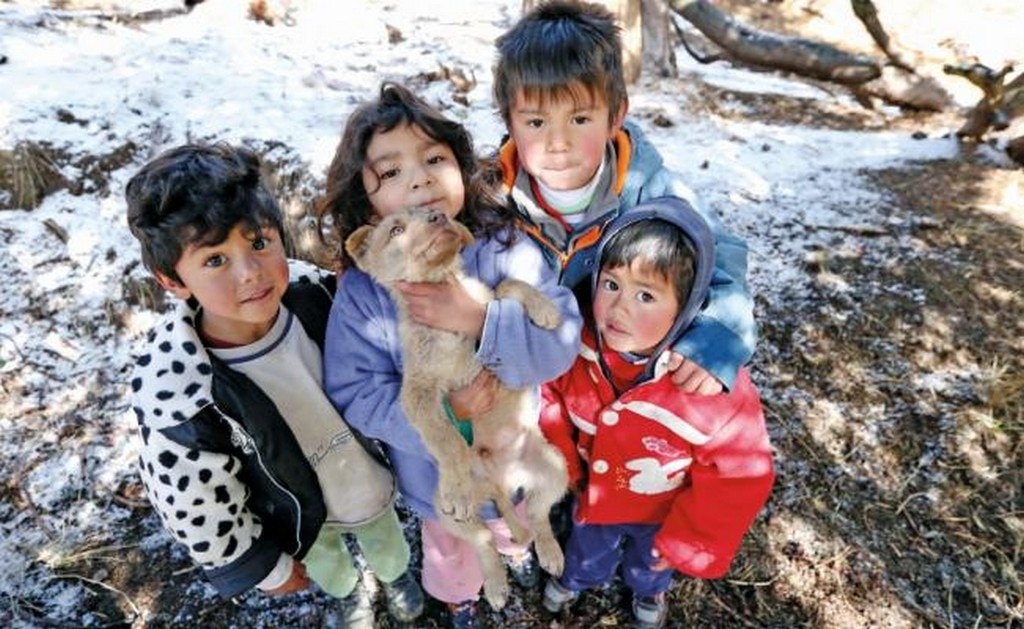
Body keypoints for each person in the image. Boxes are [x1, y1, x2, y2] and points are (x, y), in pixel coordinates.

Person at [124, 143, 423, 628]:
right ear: (172, 280)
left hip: (366, 478)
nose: (250, 273)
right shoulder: (182, 394)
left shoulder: (322, 298)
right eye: (216, 261)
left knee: (386, 538)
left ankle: (396, 576)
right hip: (296, 516)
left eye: (260, 242)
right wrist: (263, 566)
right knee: (329, 564)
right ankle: (348, 594)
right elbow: (193, 499)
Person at [317, 82, 583, 628]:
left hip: (514, 451)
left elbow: (561, 339)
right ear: (366, 206)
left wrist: (478, 317)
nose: (418, 178)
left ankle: (519, 555)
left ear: (463, 169)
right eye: (390, 173)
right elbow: (354, 391)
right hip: (437, 475)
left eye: (434, 159)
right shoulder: (364, 292)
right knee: (452, 545)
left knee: (520, 519)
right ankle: (460, 596)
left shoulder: (508, 248)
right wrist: (448, 414)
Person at [493, 0, 756, 396]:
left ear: (615, 116)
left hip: (618, 384)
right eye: (535, 122)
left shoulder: (648, 190)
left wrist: (717, 337)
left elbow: (722, 254)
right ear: (509, 121)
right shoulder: (493, 201)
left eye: (580, 119)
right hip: (535, 386)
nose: (558, 143)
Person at [538, 197, 775, 629]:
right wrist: (562, 465)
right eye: (610, 285)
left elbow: (740, 472)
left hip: (662, 512)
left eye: (646, 294)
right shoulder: (577, 348)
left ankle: (648, 591)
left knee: (652, 561)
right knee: (587, 545)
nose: (619, 307)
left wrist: (692, 540)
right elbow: (548, 399)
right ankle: (576, 579)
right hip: (593, 495)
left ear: (685, 305)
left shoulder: (709, 385)